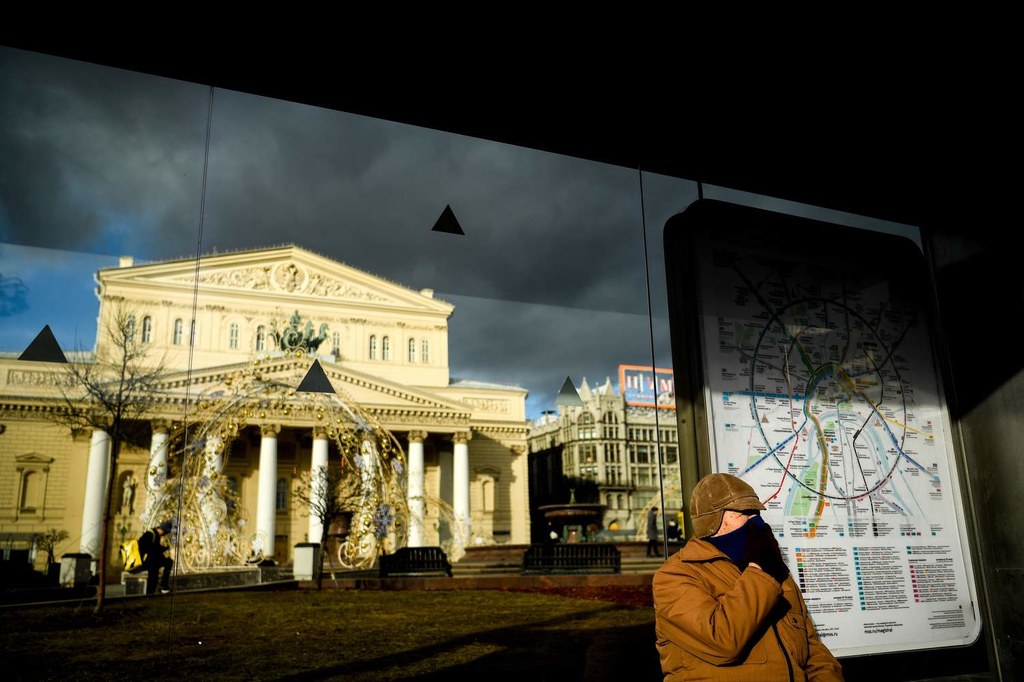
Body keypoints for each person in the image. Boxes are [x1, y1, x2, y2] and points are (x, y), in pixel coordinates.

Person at [652, 473, 843, 681]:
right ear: (713, 520)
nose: (757, 522)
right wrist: (759, 570)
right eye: (745, 512)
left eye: (757, 512)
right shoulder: (676, 575)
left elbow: (816, 655)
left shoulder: (776, 573)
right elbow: (723, 642)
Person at [137, 519, 174, 595]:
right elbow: (151, 548)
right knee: (153, 578)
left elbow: (155, 548)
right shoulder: (150, 534)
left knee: (168, 562)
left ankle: (162, 586)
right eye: (164, 533)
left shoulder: (155, 534)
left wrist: (165, 548)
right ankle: (157, 589)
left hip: (153, 560)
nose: (164, 535)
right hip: (148, 561)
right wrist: (164, 549)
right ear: (161, 529)